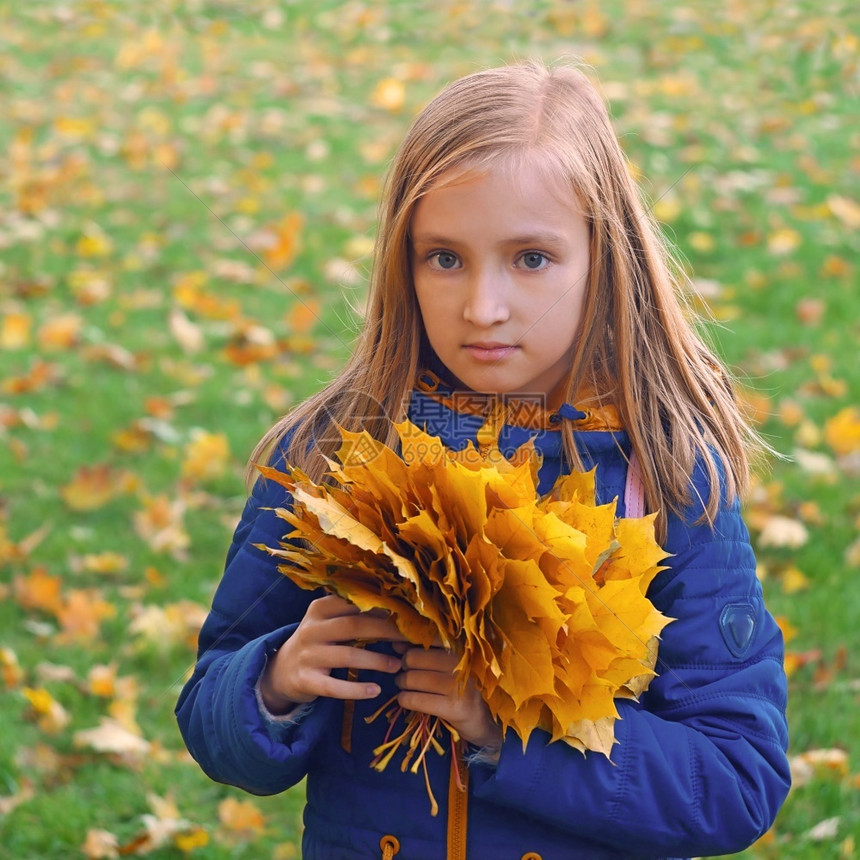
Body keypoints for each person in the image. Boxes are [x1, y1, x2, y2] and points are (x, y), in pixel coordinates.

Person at [175, 61, 790, 859]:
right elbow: (210, 712)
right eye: (444, 258)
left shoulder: (667, 476)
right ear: (403, 259)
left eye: (530, 258)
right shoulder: (332, 453)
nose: (482, 307)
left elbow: (737, 779)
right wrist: (273, 681)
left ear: (604, 259)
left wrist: (517, 732)